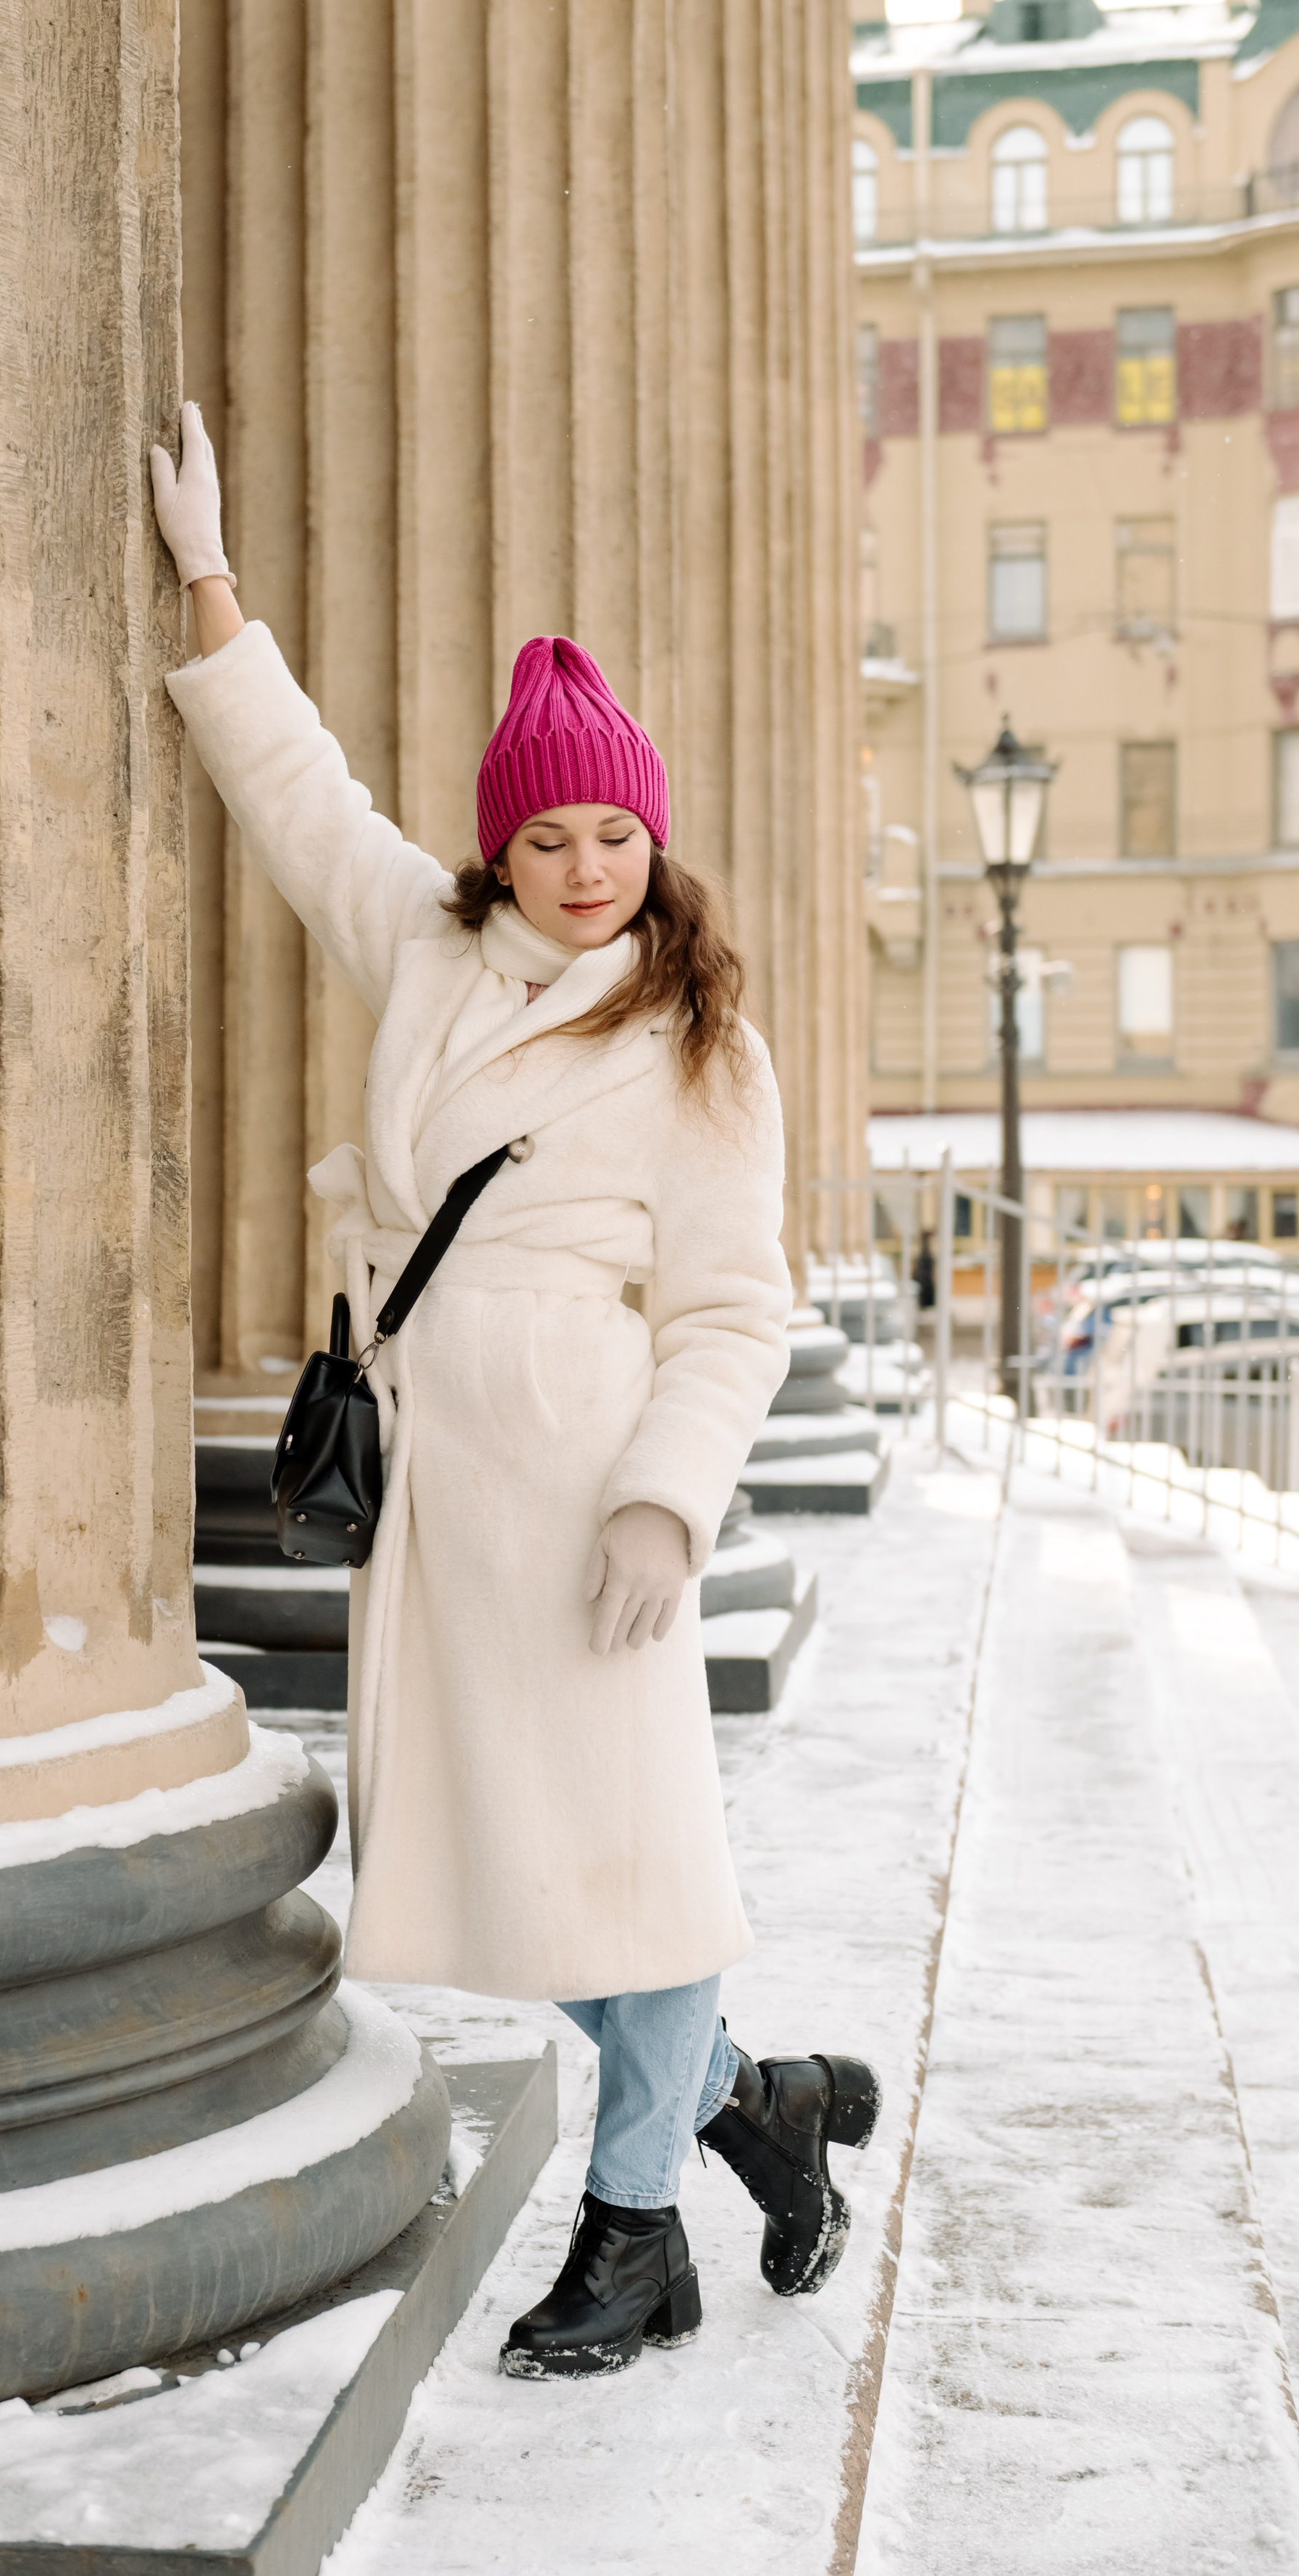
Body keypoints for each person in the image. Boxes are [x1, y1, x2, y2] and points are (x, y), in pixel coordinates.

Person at [151, 405, 878, 2380]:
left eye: (613, 833)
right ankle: (753, 2100)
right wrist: (212, 590)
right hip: (436, 1491)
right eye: (548, 833)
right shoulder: (433, 946)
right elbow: (302, 793)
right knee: (508, 1869)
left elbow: (734, 1308)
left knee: (629, 1866)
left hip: (584, 1503)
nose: (582, 866)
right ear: (503, 840)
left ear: (657, 837)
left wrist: (668, 1500)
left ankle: (633, 2228)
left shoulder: (706, 1044)